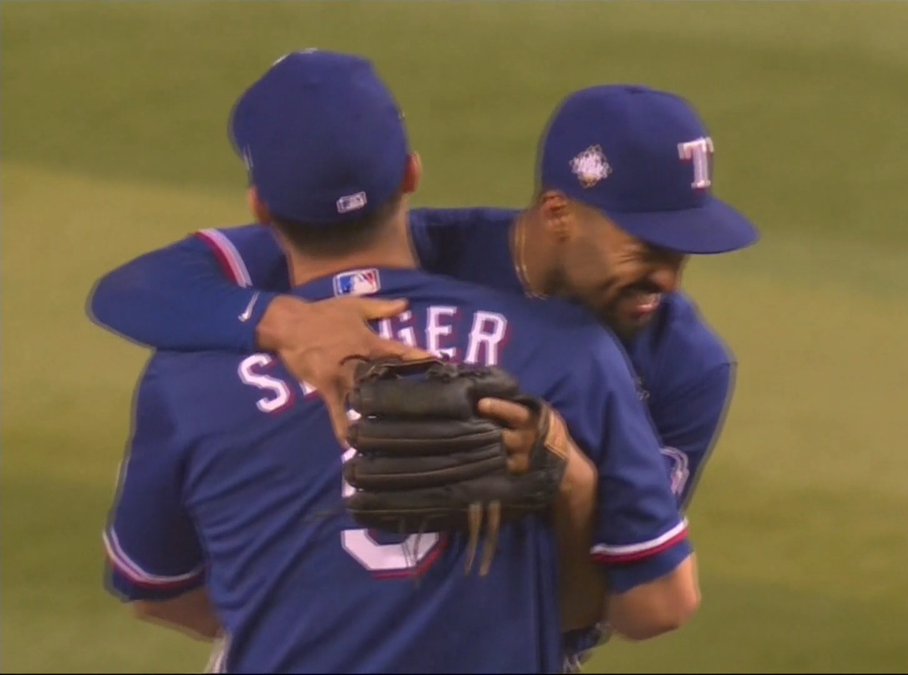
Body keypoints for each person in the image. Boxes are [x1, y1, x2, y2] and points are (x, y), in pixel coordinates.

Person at [88, 82, 759, 668]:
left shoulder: (685, 363)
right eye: (646, 249)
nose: (668, 281)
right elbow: (132, 289)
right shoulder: (426, 250)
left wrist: (573, 480)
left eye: (685, 251)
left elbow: (616, 602)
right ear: (558, 214)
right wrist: (283, 322)